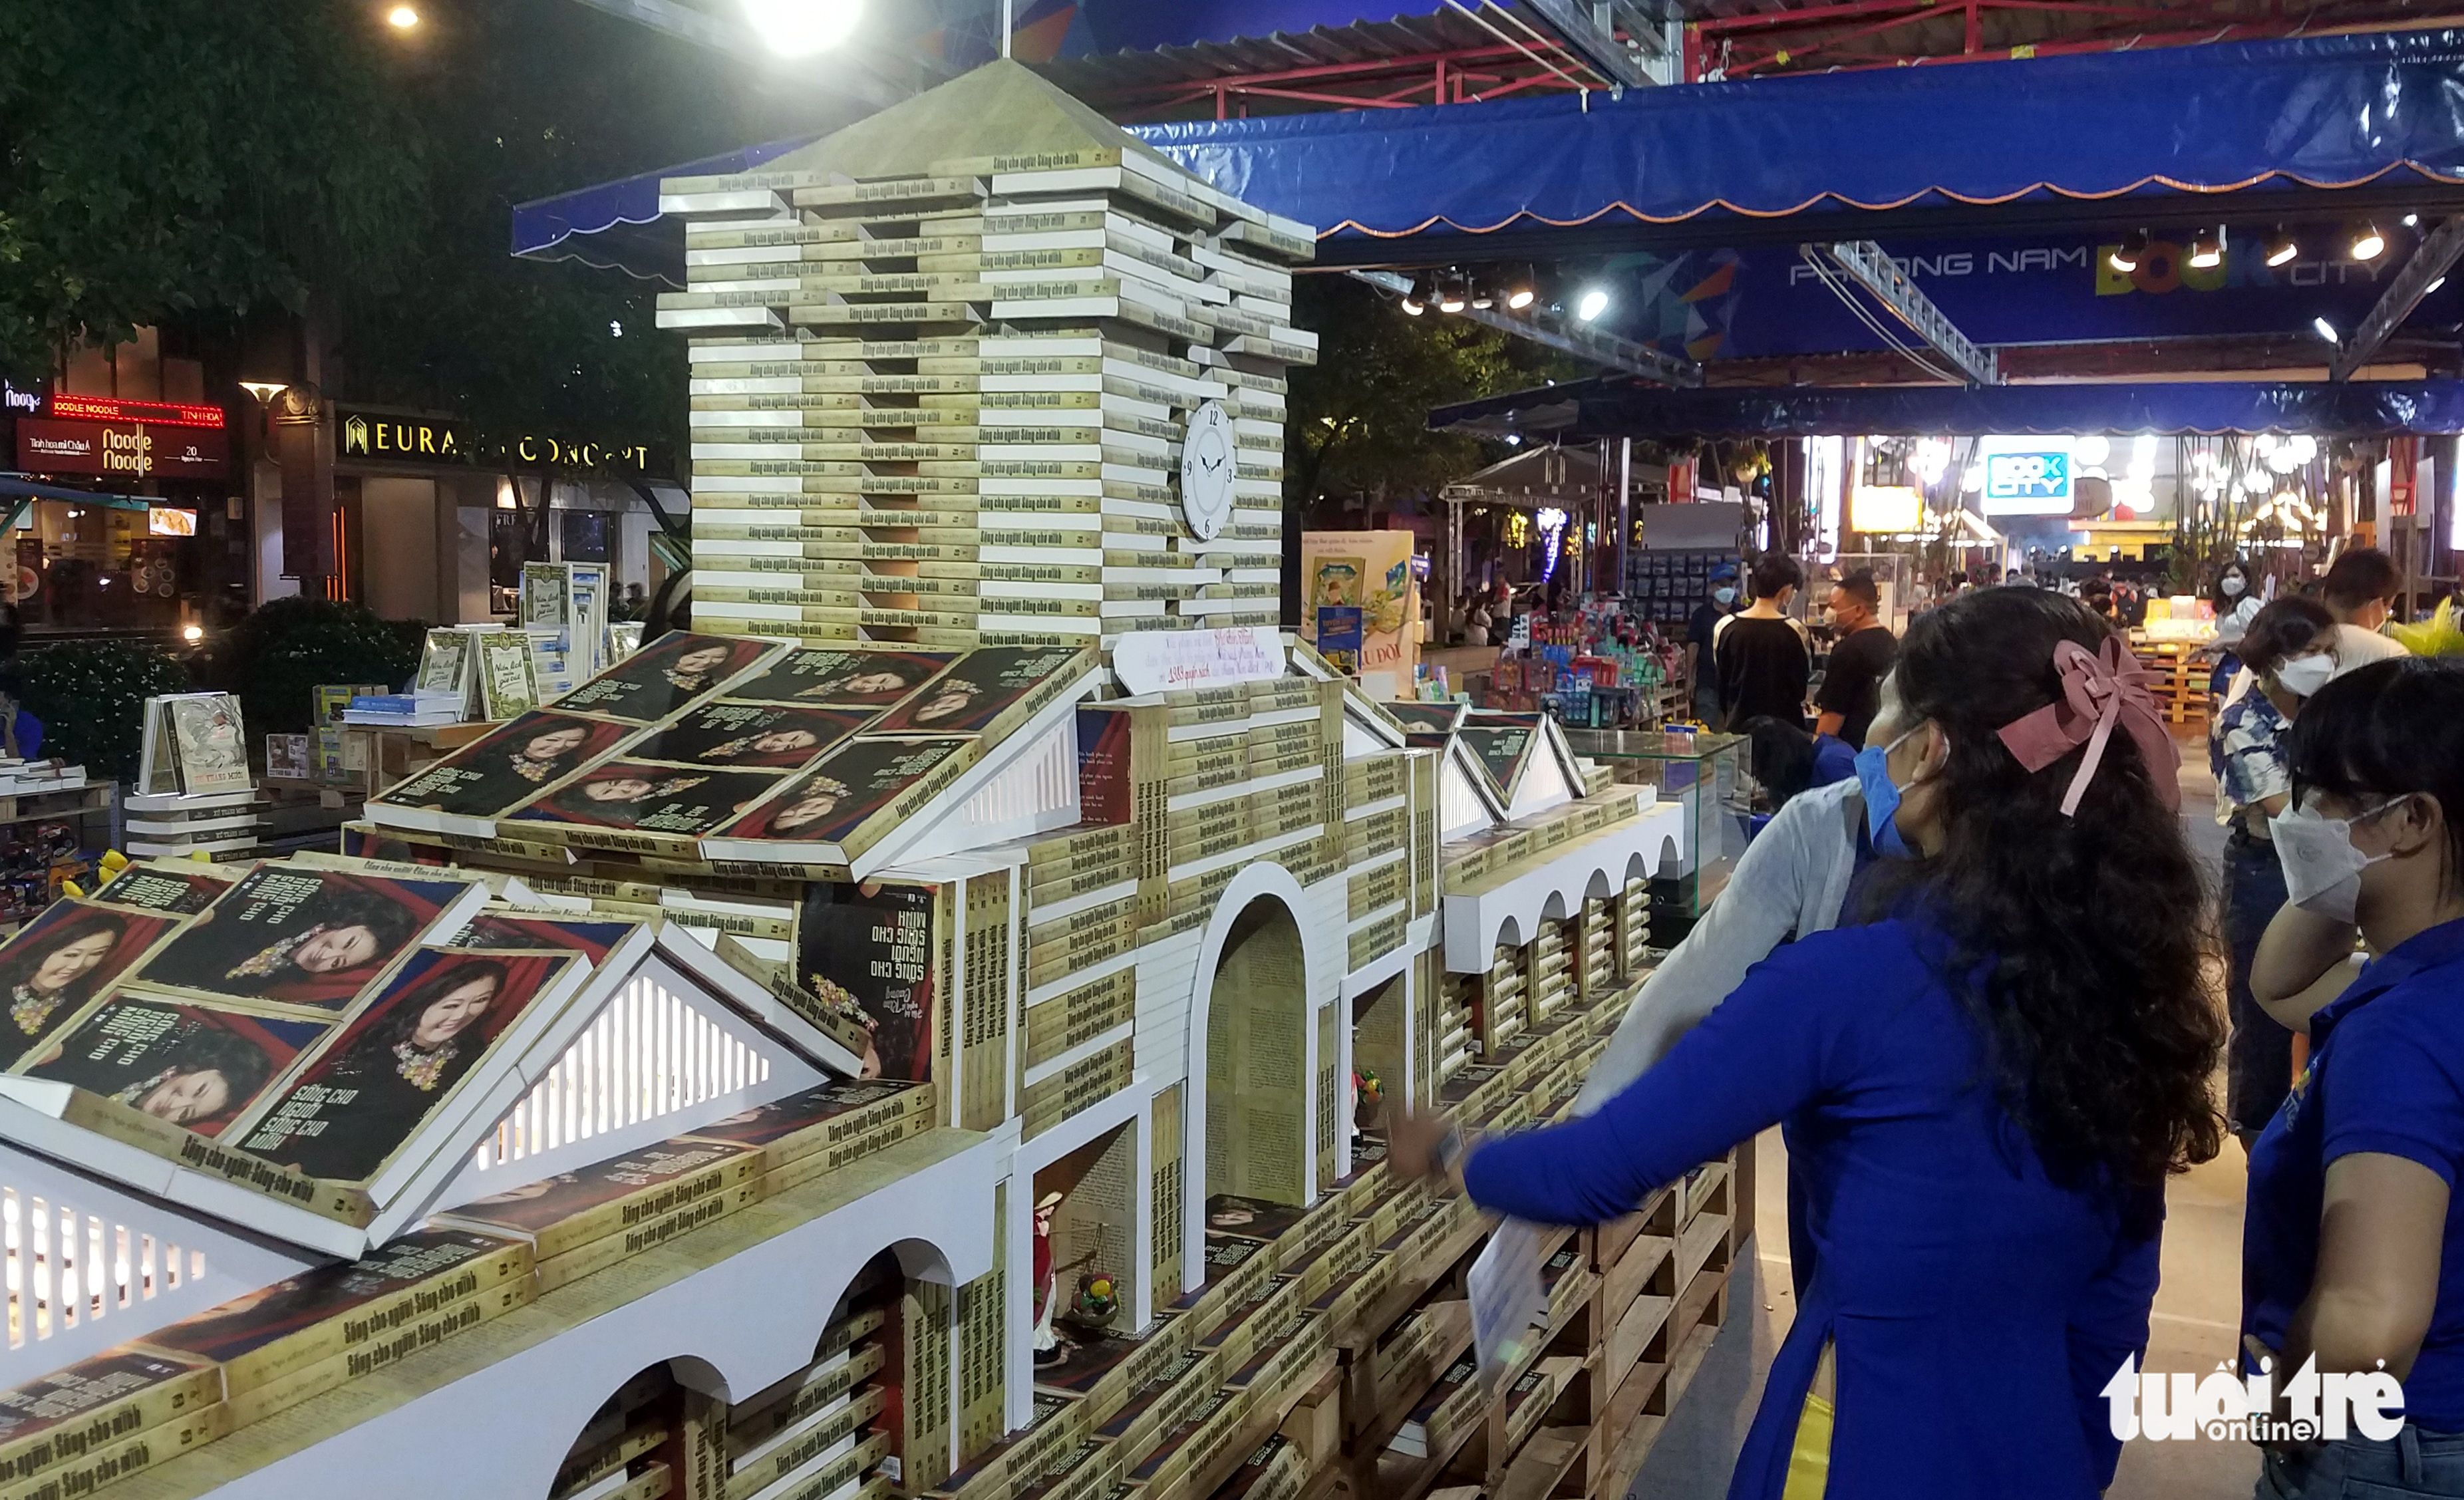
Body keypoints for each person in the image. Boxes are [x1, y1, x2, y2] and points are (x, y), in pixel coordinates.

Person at [1394, 589, 2222, 1500]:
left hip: (1860, 1444)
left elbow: (1599, 1167)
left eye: (1892, 721)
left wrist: (1451, 1153)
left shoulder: (1840, 987)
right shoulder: (2125, 1005)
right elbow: (2115, 1304)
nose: (1876, 746)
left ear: (1935, 747)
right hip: (2039, 1453)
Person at [2238, 658, 2464, 1499]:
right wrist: (2342, 885)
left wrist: (2290, 1409)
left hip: (2390, 1448)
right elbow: (2282, 987)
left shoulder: (2401, 1034)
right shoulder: (2427, 983)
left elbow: (2372, 1315)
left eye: (2322, 797)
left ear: (2411, 817)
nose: (2299, 820)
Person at [2209, 597, 2339, 1146]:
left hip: (2331, 865)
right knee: (2261, 1010)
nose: (2325, 663)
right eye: (2312, 652)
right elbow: (2285, 809)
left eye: (2330, 652)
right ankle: (2256, 1134)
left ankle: (2321, 1119)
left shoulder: (2326, 713)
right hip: (2267, 871)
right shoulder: (2241, 723)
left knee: (2330, 996)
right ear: (2274, 658)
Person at [260, 959, 510, 1181]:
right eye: (451, 1005)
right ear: (426, 1001)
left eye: (479, 1001)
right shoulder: (369, 1047)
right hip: (321, 1171)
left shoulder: (472, 1054)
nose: (463, 1015)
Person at [0, 907, 128, 1048]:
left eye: (97, 953)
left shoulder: (76, 993)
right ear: (43, 948)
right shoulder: (4, 987)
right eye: (71, 955)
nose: (78, 965)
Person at [1712, 554, 1811, 731]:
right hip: (1787, 733)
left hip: (1739, 730)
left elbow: (1722, 681)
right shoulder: (1796, 630)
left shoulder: (1725, 626)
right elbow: (1801, 687)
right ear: (1786, 590)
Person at [1813, 569, 1897, 748]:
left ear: (1859, 610)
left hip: (1849, 751)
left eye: (1834, 607)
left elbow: (1832, 719)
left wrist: (1817, 751)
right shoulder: (1890, 642)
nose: (1829, 613)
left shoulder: (1847, 651)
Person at [2320, 546, 2409, 676]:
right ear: (2377, 607)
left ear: (2324, 594)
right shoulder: (2391, 654)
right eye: (2389, 608)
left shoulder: (2298, 643)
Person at [1684, 567, 1740, 722]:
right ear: (1712, 587)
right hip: (1707, 682)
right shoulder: (1701, 615)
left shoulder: (1742, 615)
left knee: (1736, 731)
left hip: (1736, 685)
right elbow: (1693, 648)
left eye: (1730, 585)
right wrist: (1690, 679)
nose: (1727, 589)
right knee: (1705, 728)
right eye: (1722, 585)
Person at [2207, 559, 2264, 699]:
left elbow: (2259, 635)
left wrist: (2225, 641)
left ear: (2246, 579)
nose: (2230, 581)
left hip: (2246, 666)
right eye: (2226, 577)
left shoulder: (2249, 605)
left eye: (2235, 576)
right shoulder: (2224, 609)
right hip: (2228, 664)